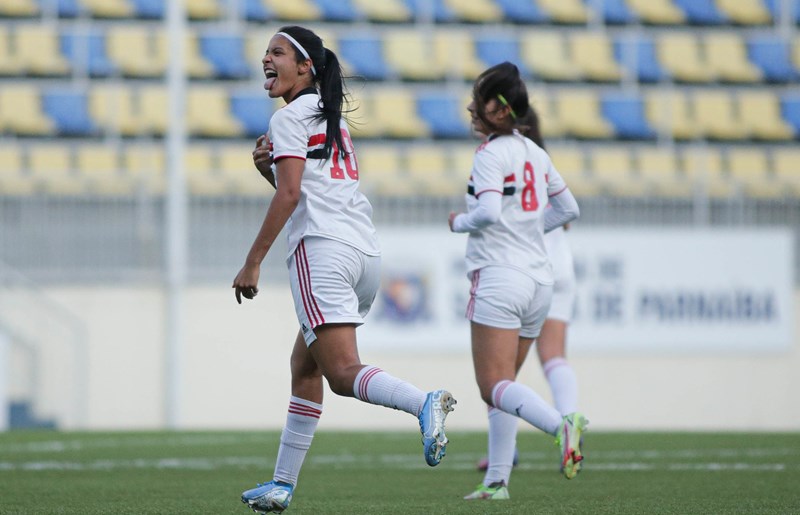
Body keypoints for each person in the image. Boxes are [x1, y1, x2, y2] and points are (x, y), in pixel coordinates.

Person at [233, 25, 456, 514]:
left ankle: (423, 401)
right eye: (265, 52)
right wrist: (265, 171)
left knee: (341, 372)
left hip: (323, 250)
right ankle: (281, 484)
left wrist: (253, 261)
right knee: (305, 365)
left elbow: (292, 196)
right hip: (364, 253)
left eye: (277, 53)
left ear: (305, 66)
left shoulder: (289, 117)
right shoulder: (327, 116)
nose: (265, 60)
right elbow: (306, 187)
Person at [447, 62, 587, 501]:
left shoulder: (491, 154)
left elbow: (487, 213)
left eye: (480, 99)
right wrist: (527, 228)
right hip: (538, 282)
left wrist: (459, 222)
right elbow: (569, 210)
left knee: (492, 385)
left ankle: (560, 427)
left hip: (500, 276)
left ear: (501, 110)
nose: (472, 106)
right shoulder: (535, 151)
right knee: (505, 388)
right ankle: (497, 482)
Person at [476, 107, 581, 473]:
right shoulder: (542, 159)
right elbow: (566, 213)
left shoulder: (503, 159)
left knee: (498, 374)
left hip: (520, 267)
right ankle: (571, 422)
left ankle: (508, 455)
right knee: (554, 357)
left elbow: (492, 214)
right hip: (558, 268)